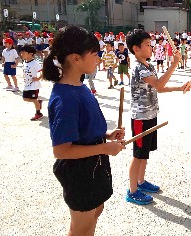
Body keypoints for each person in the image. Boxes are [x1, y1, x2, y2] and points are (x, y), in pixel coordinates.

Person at [43, 26, 126, 235]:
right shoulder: (66, 98)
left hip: (93, 164)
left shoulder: (80, 86)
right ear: (75, 58)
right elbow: (61, 151)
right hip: (79, 172)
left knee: (97, 209)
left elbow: (84, 129)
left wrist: (107, 135)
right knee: (82, 226)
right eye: (94, 53)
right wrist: (105, 148)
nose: (98, 58)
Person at [125, 30, 191, 205]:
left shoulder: (148, 66)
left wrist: (179, 88)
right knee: (137, 154)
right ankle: (132, 191)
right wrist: (175, 63)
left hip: (150, 115)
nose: (151, 47)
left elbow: (158, 88)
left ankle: (141, 182)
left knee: (144, 153)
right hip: (140, 117)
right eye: (147, 45)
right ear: (136, 49)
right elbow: (160, 85)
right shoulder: (138, 68)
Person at [19, 45, 43, 121]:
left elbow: (43, 71)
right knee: (25, 98)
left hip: (34, 85)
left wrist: (38, 78)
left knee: (33, 99)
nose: (21, 54)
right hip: (27, 84)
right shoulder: (24, 62)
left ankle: (38, 114)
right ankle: (38, 102)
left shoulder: (35, 63)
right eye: (21, 52)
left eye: (23, 52)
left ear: (31, 54)